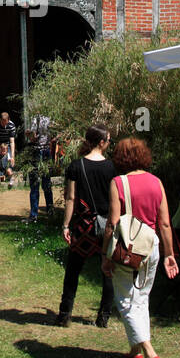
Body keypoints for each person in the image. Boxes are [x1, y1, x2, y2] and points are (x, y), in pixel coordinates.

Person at [101, 137, 178, 358]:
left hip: (128, 249)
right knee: (141, 297)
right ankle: (135, 350)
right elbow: (165, 223)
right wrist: (170, 254)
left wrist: (105, 254)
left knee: (125, 300)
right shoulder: (157, 182)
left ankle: (150, 352)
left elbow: (112, 224)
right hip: (151, 246)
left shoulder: (118, 182)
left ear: (120, 159)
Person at [57, 125, 115, 327]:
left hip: (84, 225)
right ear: (101, 142)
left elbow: (71, 198)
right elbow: (115, 200)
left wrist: (66, 225)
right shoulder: (111, 168)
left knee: (73, 269)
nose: (109, 143)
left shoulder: (76, 166)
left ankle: (65, 314)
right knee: (107, 269)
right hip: (107, 225)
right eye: (108, 140)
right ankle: (103, 317)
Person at [26, 114, 56, 219]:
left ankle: (35, 214)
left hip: (40, 151)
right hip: (42, 150)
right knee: (44, 183)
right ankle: (48, 212)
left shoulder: (38, 118)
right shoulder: (45, 117)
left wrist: (30, 135)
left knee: (39, 184)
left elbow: (32, 137)